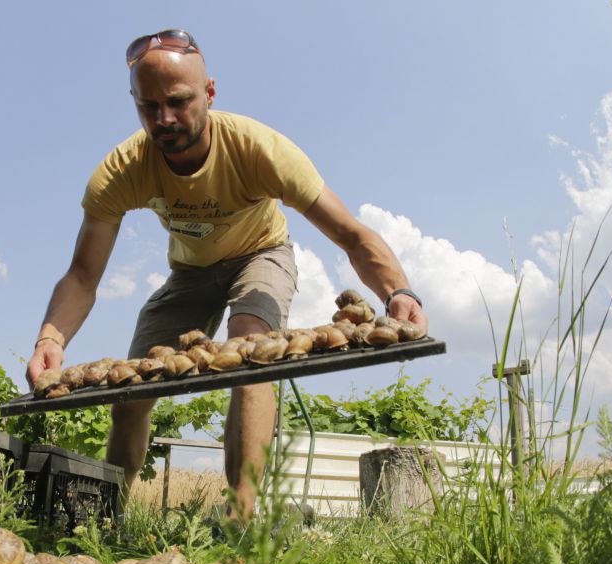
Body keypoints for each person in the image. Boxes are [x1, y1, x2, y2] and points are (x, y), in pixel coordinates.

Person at [26, 29, 427, 524]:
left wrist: (398, 291)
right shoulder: (122, 170)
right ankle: (109, 514)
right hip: (189, 273)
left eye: (178, 102)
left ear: (209, 93)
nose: (164, 119)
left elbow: (350, 235)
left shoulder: (260, 149)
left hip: (262, 254)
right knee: (133, 385)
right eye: (148, 106)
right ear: (133, 102)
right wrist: (52, 337)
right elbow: (83, 276)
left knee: (251, 349)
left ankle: (240, 514)